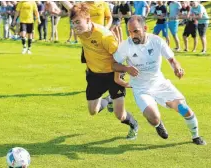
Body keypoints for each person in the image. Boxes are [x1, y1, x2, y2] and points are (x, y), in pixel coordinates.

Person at [113, 15, 206, 145]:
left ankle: (196, 136)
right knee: (154, 118)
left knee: (184, 109)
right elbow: (114, 64)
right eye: (129, 31)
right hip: (141, 89)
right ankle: (158, 125)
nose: (132, 35)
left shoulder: (157, 41)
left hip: (160, 84)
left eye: (136, 31)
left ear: (145, 28)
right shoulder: (125, 45)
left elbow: (172, 60)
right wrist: (126, 68)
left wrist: (177, 68)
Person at [69, 3, 138, 140]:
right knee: (93, 111)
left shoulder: (104, 36)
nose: (75, 26)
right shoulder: (81, 33)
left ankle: (133, 124)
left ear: (88, 20)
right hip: (95, 76)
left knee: (120, 115)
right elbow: (69, 6)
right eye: (72, 23)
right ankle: (109, 99)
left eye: (78, 22)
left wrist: (118, 79)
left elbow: (119, 59)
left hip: (113, 74)